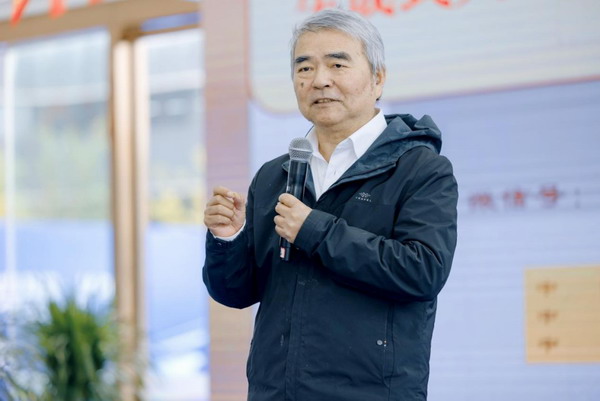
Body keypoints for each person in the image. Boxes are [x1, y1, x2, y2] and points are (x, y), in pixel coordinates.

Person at [203, 8, 458, 401]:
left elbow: (422, 271)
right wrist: (229, 238)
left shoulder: (420, 168)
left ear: (378, 78)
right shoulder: (275, 175)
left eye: (337, 64)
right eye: (304, 68)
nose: (319, 80)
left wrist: (314, 230)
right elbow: (235, 293)